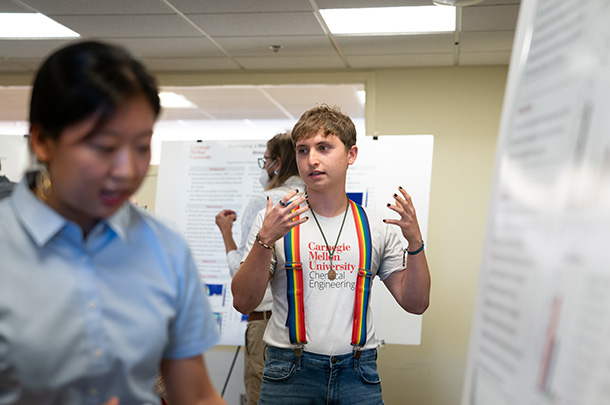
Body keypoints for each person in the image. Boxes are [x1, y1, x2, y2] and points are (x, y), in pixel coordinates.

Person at [0, 41, 225, 405]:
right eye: (104, 147)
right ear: (42, 141)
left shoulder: (165, 248)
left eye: (141, 146)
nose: (127, 171)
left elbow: (197, 395)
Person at [231, 104, 431, 404]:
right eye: (302, 150)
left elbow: (416, 303)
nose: (312, 160)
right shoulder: (272, 221)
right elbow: (243, 301)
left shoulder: (375, 227)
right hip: (288, 373)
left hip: (358, 374)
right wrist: (265, 240)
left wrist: (415, 242)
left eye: (324, 148)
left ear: (351, 155)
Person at [215, 131, 304, 405]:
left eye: (265, 160)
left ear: (277, 162)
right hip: (304, 329)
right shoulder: (314, 200)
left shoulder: (264, 202)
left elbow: (242, 277)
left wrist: (226, 233)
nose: (263, 167)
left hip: (266, 326)